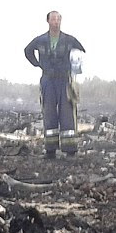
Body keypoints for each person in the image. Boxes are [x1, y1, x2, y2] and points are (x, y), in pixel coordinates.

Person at [24, 11, 85, 157]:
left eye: (58, 19)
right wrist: (37, 64)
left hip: (64, 80)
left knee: (67, 113)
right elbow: (27, 51)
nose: (56, 22)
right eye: (53, 19)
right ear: (48, 21)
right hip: (48, 80)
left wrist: (75, 64)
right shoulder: (40, 40)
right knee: (49, 113)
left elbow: (81, 51)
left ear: (61, 21)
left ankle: (70, 150)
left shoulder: (70, 40)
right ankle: (50, 150)